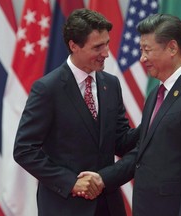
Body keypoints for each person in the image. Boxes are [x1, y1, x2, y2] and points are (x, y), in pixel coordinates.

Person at [79, 13, 181, 216]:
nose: (142, 58)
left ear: (172, 48)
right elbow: (143, 153)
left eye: (147, 50)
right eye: (140, 50)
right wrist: (103, 178)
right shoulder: (156, 93)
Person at [13, 8, 139, 216]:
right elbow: (24, 150)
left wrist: (154, 121)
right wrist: (71, 182)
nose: (106, 53)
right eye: (98, 47)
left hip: (109, 206)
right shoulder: (47, 89)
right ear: (74, 46)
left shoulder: (111, 83)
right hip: (66, 207)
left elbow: (121, 141)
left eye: (107, 43)